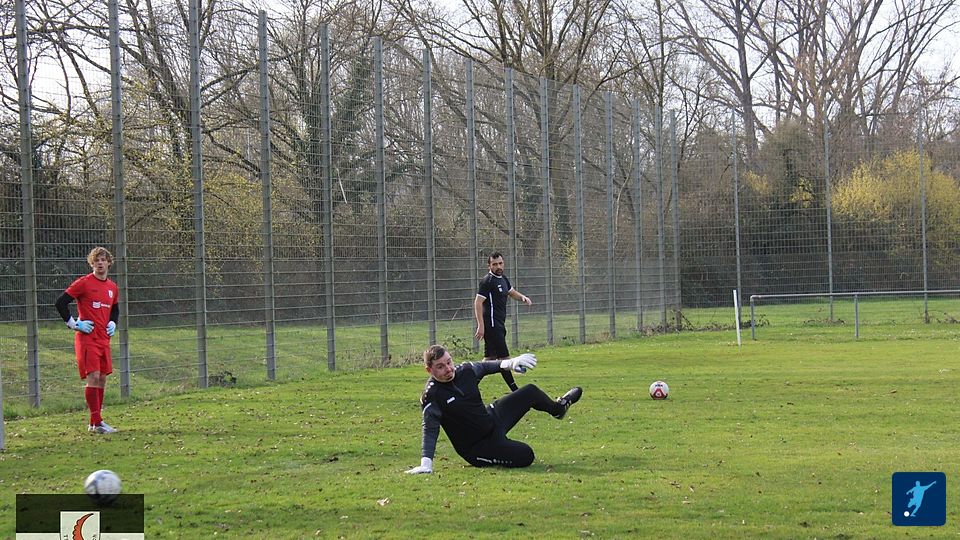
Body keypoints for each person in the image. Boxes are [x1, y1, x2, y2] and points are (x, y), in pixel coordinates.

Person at [405, 344, 582, 474]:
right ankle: (502, 448)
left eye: (449, 362)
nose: (448, 369)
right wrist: (426, 463)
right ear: (429, 370)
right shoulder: (432, 395)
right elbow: (430, 430)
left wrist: (510, 363)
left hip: (491, 419)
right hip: (478, 447)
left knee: (530, 391)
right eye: (440, 367)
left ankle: (558, 409)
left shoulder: (465, 370)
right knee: (526, 455)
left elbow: (484, 367)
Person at [55, 246, 120, 434]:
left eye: (103, 260)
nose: (100, 263)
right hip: (87, 338)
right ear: (92, 264)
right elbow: (60, 302)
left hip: (103, 339)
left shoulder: (112, 287)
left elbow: (115, 309)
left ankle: (94, 422)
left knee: (102, 378)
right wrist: (74, 324)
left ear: (109, 263)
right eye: (96, 260)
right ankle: (97, 422)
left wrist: (113, 323)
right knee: (93, 376)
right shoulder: (83, 283)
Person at [474, 251, 532, 392]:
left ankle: (466, 385)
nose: (498, 266)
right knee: (505, 359)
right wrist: (481, 325)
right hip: (492, 325)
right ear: (489, 266)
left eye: (500, 263)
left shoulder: (503, 278)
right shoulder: (487, 281)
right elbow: (478, 302)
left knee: (489, 360)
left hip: (499, 324)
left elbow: (511, 292)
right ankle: (516, 391)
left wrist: (522, 297)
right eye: (495, 264)